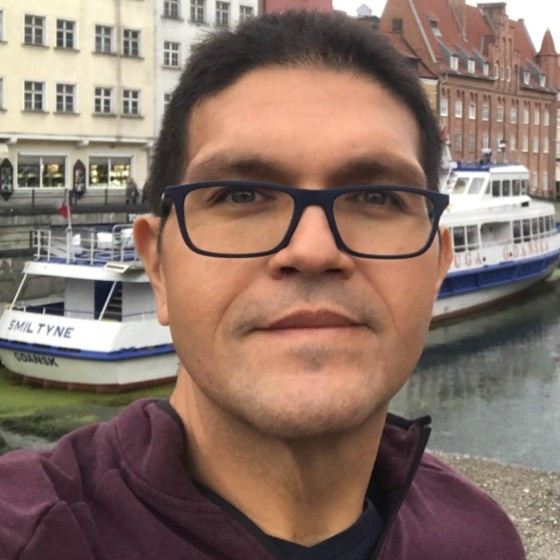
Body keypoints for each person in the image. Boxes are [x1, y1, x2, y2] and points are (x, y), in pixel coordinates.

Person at [0, 10, 525, 560]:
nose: (313, 250)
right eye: (242, 195)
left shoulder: (480, 540)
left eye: (377, 198)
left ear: (437, 266)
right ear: (157, 267)